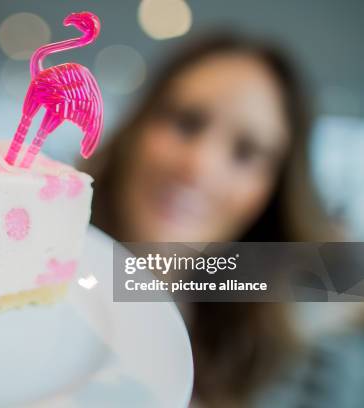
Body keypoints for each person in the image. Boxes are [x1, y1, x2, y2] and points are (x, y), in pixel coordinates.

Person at [80, 33, 338, 407]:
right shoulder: (29, 266)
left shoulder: (285, 372)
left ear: (273, 193)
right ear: (136, 128)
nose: (199, 167)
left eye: (246, 152)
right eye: (186, 122)